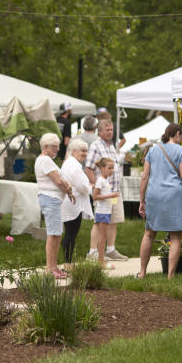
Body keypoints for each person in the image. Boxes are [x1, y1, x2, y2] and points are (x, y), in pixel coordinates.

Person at [137, 123, 182, 279]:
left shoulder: (153, 150)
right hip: (174, 195)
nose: (181, 140)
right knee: (175, 236)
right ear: (176, 134)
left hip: (154, 194)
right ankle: (170, 275)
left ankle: (142, 272)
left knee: (149, 233)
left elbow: (144, 177)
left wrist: (141, 201)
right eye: (181, 136)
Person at [84, 118, 128, 262]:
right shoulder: (96, 146)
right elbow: (89, 168)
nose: (110, 132)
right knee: (99, 223)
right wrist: (98, 187)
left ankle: (110, 250)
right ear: (100, 131)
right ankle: (92, 252)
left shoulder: (111, 146)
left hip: (114, 191)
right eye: (107, 130)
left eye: (111, 130)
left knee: (113, 221)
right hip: (104, 194)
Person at [35, 132, 76, 279]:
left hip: (53, 199)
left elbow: (59, 181)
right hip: (50, 198)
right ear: (45, 146)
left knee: (56, 234)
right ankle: (50, 267)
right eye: (54, 146)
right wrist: (69, 191)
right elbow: (58, 181)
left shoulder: (45, 160)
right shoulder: (45, 160)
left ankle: (53, 266)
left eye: (58, 146)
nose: (57, 149)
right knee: (53, 234)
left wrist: (66, 187)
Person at [58, 139, 94, 269]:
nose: (85, 153)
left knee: (70, 234)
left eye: (86, 151)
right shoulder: (74, 166)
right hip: (73, 204)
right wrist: (93, 188)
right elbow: (82, 186)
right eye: (82, 151)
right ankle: (67, 263)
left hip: (70, 202)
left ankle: (68, 262)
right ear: (74, 151)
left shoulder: (71, 163)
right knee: (70, 234)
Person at [91, 157, 120, 267]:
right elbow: (95, 196)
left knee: (103, 237)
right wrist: (111, 195)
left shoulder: (105, 180)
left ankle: (101, 259)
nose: (111, 170)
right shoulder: (100, 181)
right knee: (102, 237)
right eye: (109, 168)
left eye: (113, 168)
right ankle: (101, 261)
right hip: (102, 213)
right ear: (102, 168)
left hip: (106, 212)